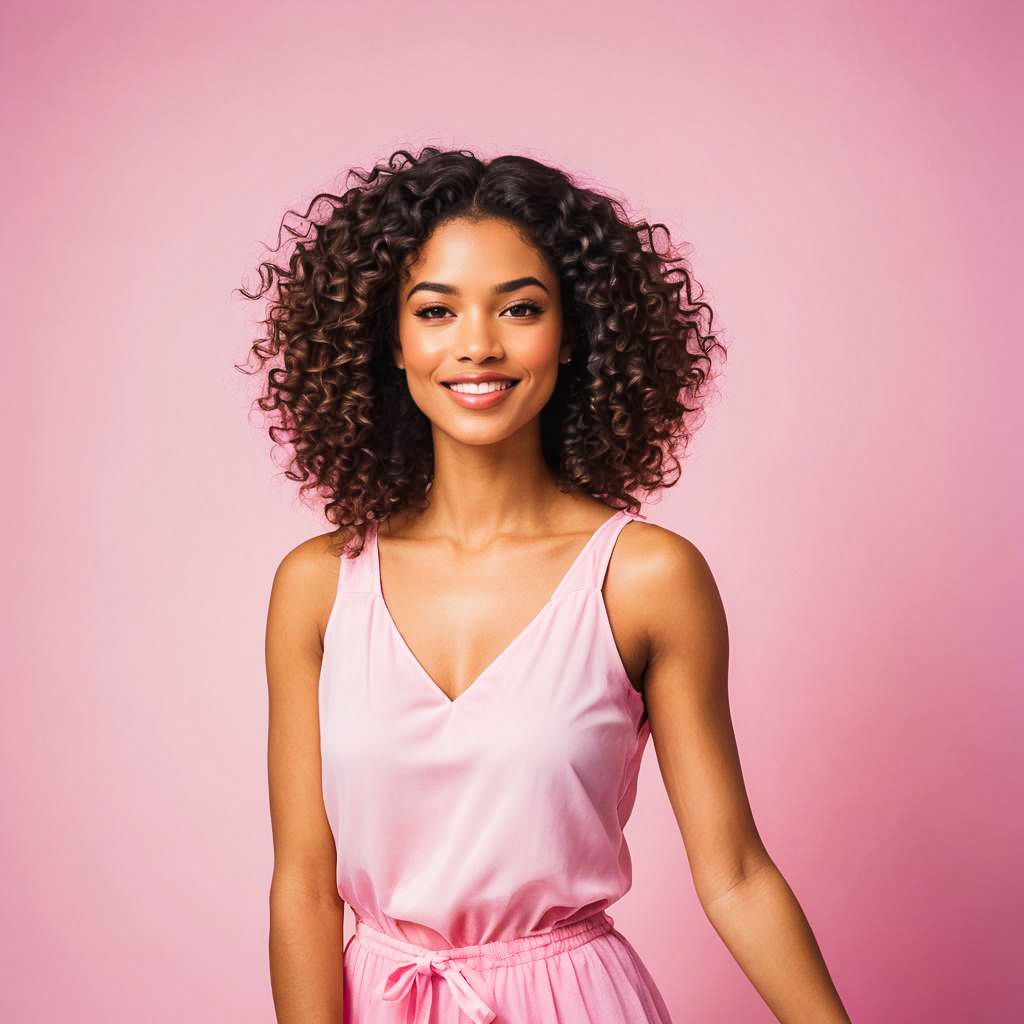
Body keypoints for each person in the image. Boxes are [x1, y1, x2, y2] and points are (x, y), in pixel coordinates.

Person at [241, 147, 851, 1022]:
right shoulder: (317, 586)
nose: (478, 345)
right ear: (392, 341)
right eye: (436, 310)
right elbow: (302, 886)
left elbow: (737, 875)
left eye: (519, 308)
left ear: (572, 334)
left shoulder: (646, 578)